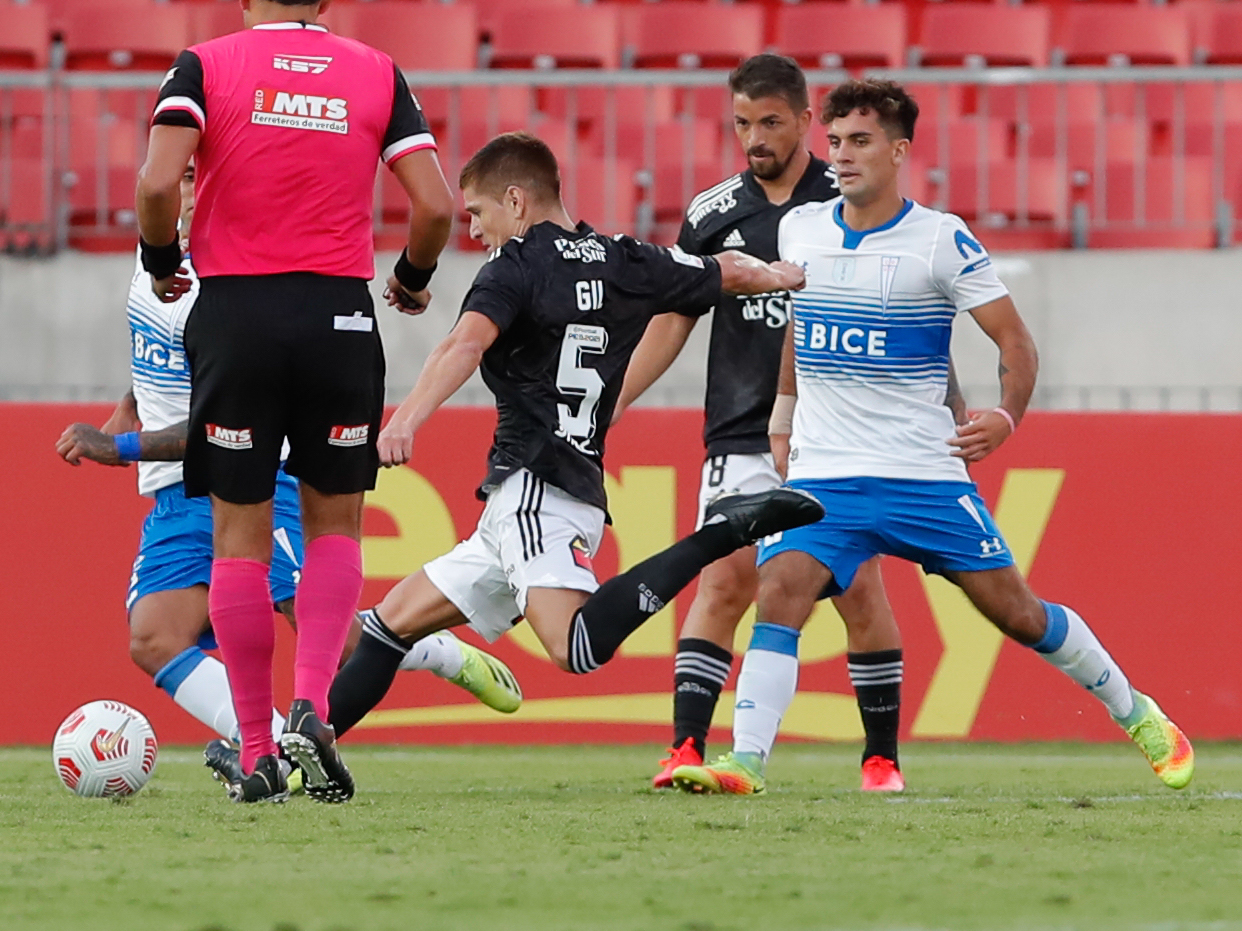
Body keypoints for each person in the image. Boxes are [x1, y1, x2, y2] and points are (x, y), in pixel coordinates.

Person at [672, 79, 1193, 796]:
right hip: (827, 472)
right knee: (780, 592)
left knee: (1016, 611)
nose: (843, 156)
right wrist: (782, 417)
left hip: (921, 472)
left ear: (897, 150)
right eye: (835, 142)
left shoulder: (940, 238)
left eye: (858, 142)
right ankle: (746, 761)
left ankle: (1139, 714)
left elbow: (1014, 341)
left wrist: (1005, 415)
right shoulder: (802, 230)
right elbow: (800, 323)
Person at [326, 134, 828, 741]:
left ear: (515, 201)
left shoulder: (514, 267)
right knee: (387, 626)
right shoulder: (626, 259)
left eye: (478, 214)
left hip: (536, 488)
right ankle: (304, 751)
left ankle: (723, 531)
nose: (477, 232)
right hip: (554, 489)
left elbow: (464, 343)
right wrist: (778, 275)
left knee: (577, 648)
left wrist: (404, 419)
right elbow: (728, 271)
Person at [57, 165, 523, 788]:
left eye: (199, 177)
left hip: (248, 478)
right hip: (175, 492)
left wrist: (122, 446)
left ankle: (433, 649)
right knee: (154, 638)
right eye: (182, 178)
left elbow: (228, 420)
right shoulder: (154, 266)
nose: (186, 191)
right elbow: (160, 357)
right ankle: (271, 749)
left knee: (329, 638)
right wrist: (132, 405)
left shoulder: (229, 285)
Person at [135, 0, 455, 803]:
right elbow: (433, 202)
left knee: (237, 542)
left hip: (237, 313)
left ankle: (255, 745)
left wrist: (164, 263)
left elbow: (159, 183)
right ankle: (313, 703)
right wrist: (412, 281)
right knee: (335, 529)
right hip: (339, 313)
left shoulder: (202, 65)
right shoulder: (376, 71)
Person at [617, 55, 908, 793]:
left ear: (807, 121)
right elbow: (673, 319)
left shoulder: (844, 197)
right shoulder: (713, 214)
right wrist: (613, 402)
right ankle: (685, 747)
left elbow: (900, 305)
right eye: (742, 123)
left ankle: (880, 759)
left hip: (833, 433)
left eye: (770, 122)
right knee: (720, 585)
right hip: (738, 430)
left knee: (857, 591)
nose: (755, 137)